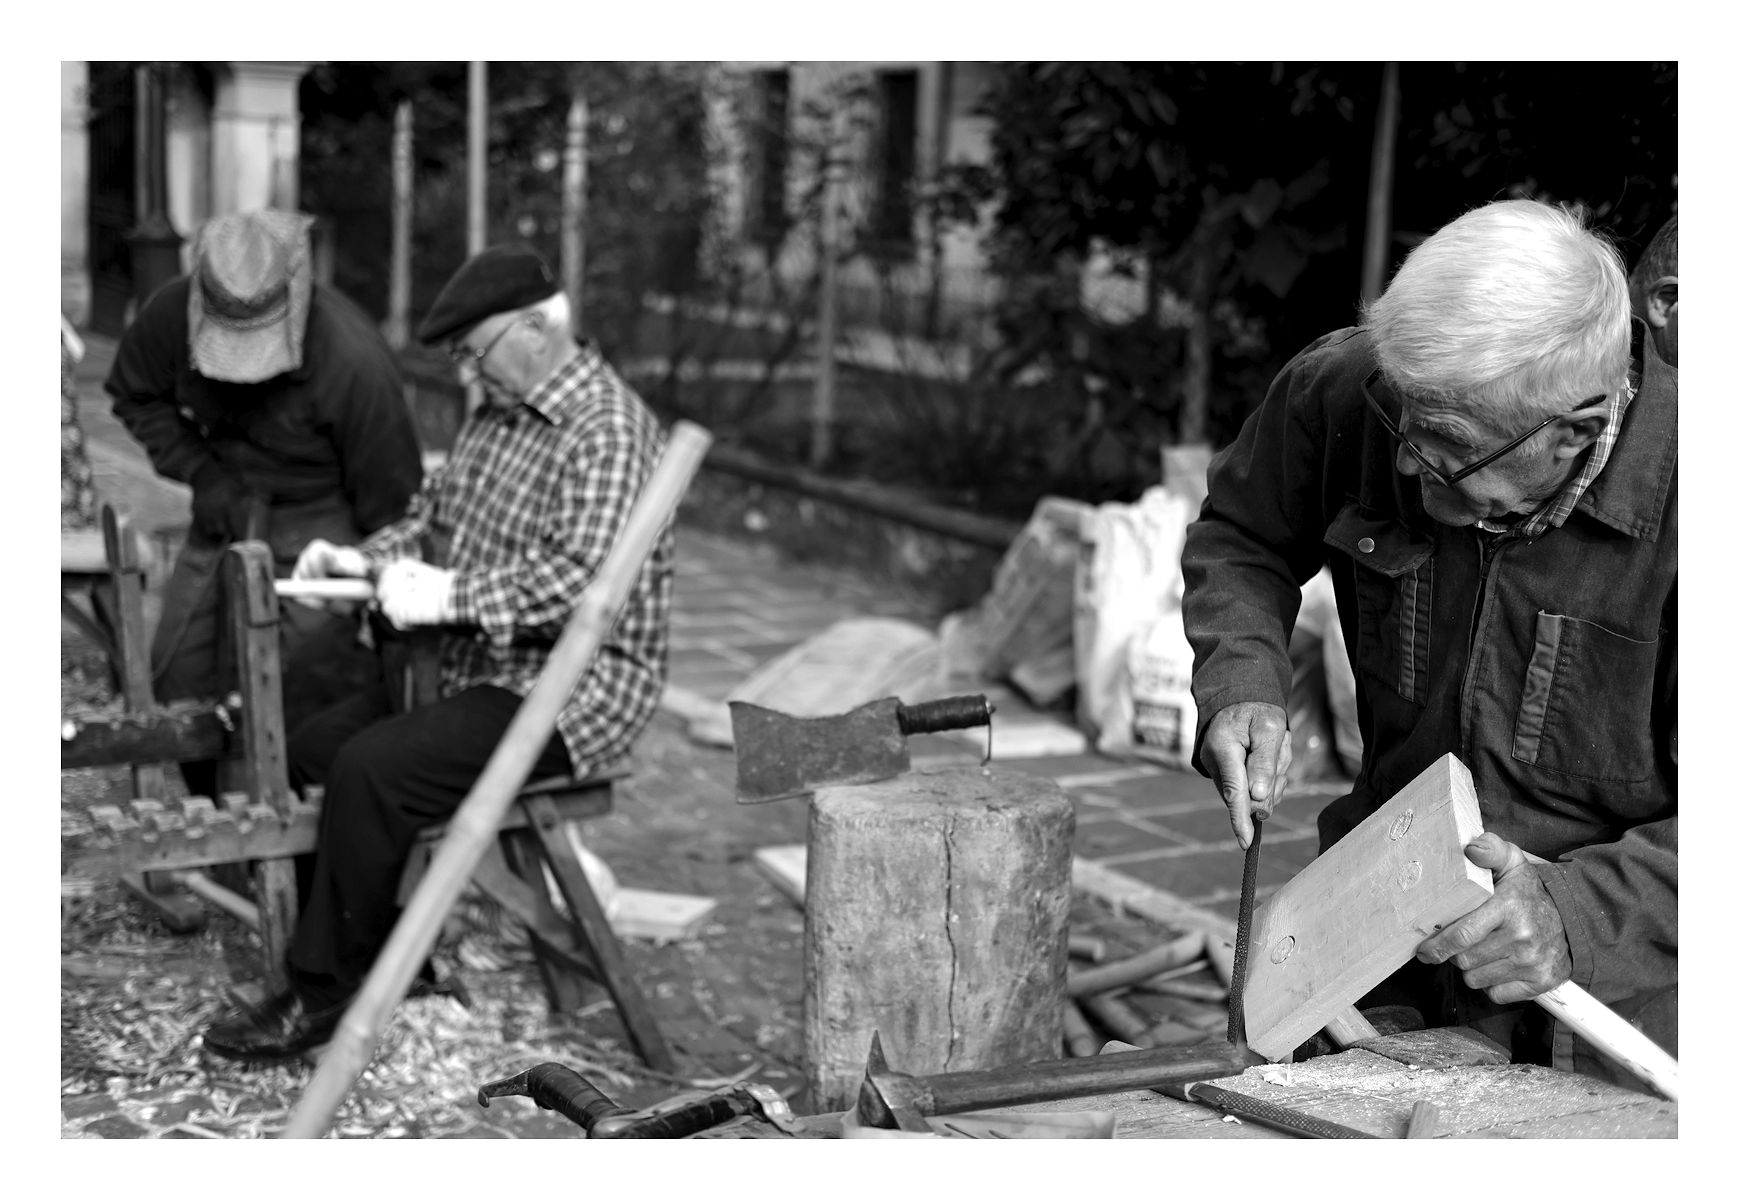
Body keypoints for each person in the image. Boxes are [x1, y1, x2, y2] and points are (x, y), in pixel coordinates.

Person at [1179, 199, 1675, 1089]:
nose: (1405, 463)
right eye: (1401, 421)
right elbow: (1243, 537)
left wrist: (1579, 914)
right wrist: (1241, 675)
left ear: (1572, 430)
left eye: (1443, 445)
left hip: (1616, 1010)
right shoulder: (1358, 390)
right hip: (1376, 946)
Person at [201, 243, 675, 1061]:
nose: (466, 375)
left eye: (473, 352)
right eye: (458, 357)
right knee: (314, 748)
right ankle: (389, 951)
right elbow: (432, 515)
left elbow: (578, 585)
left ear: (535, 329)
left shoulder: (607, 430)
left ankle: (323, 993)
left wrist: (446, 597)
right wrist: (365, 560)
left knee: (375, 769)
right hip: (471, 666)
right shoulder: (499, 410)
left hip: (571, 690)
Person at [104, 210, 424, 798]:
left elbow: (396, 507)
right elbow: (134, 395)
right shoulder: (169, 317)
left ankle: (289, 829)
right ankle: (216, 808)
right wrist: (202, 472)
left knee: (296, 690)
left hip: (322, 521)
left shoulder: (355, 363)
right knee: (178, 676)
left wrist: (374, 595)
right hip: (224, 508)